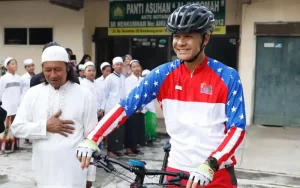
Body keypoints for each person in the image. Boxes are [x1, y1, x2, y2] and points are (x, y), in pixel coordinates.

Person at [77, 4, 246, 188]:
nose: (180, 43)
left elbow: (237, 128)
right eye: (176, 36)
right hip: (175, 173)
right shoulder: (162, 74)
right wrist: (93, 138)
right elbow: (126, 106)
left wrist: (212, 164)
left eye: (188, 36)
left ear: (205, 38)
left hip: (216, 174)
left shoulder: (227, 76)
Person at [11, 45, 97, 188]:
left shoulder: (85, 95)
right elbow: (17, 128)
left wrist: (90, 176)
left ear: (67, 68)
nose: (53, 75)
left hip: (74, 172)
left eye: (58, 69)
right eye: (48, 70)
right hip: (44, 172)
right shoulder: (32, 94)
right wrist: (45, 126)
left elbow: (92, 138)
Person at [98, 57, 126, 158]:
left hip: (121, 107)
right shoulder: (109, 78)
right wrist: (103, 108)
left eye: (120, 64)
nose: (119, 66)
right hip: (111, 107)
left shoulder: (123, 77)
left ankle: (116, 149)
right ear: (113, 66)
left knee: (119, 130)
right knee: (112, 130)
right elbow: (104, 95)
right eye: (117, 64)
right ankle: (110, 151)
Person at [0, 57, 21, 154]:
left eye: (15, 63)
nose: (15, 65)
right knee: (6, 127)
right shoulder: (3, 78)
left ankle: (13, 146)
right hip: (6, 107)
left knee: (15, 127)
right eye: (12, 64)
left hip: (16, 106)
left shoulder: (18, 78)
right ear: (7, 66)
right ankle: (3, 147)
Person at [124, 60, 145, 156]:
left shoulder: (143, 80)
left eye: (138, 66)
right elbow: (129, 94)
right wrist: (135, 107)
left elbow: (145, 93)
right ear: (131, 69)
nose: (136, 68)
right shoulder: (128, 80)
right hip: (132, 107)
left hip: (141, 107)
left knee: (138, 128)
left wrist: (142, 106)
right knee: (131, 128)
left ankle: (135, 147)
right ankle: (129, 148)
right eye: (134, 67)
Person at [20, 58, 36, 145]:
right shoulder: (23, 78)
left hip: (35, 100)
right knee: (26, 119)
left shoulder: (36, 76)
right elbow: (20, 90)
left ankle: (33, 136)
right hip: (26, 101)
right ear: (25, 68)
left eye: (32, 65)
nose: (31, 68)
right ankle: (26, 138)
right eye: (29, 66)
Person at [142, 69, 157, 145]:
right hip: (144, 109)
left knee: (151, 124)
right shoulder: (141, 85)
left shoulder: (153, 85)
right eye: (144, 76)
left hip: (151, 109)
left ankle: (150, 140)